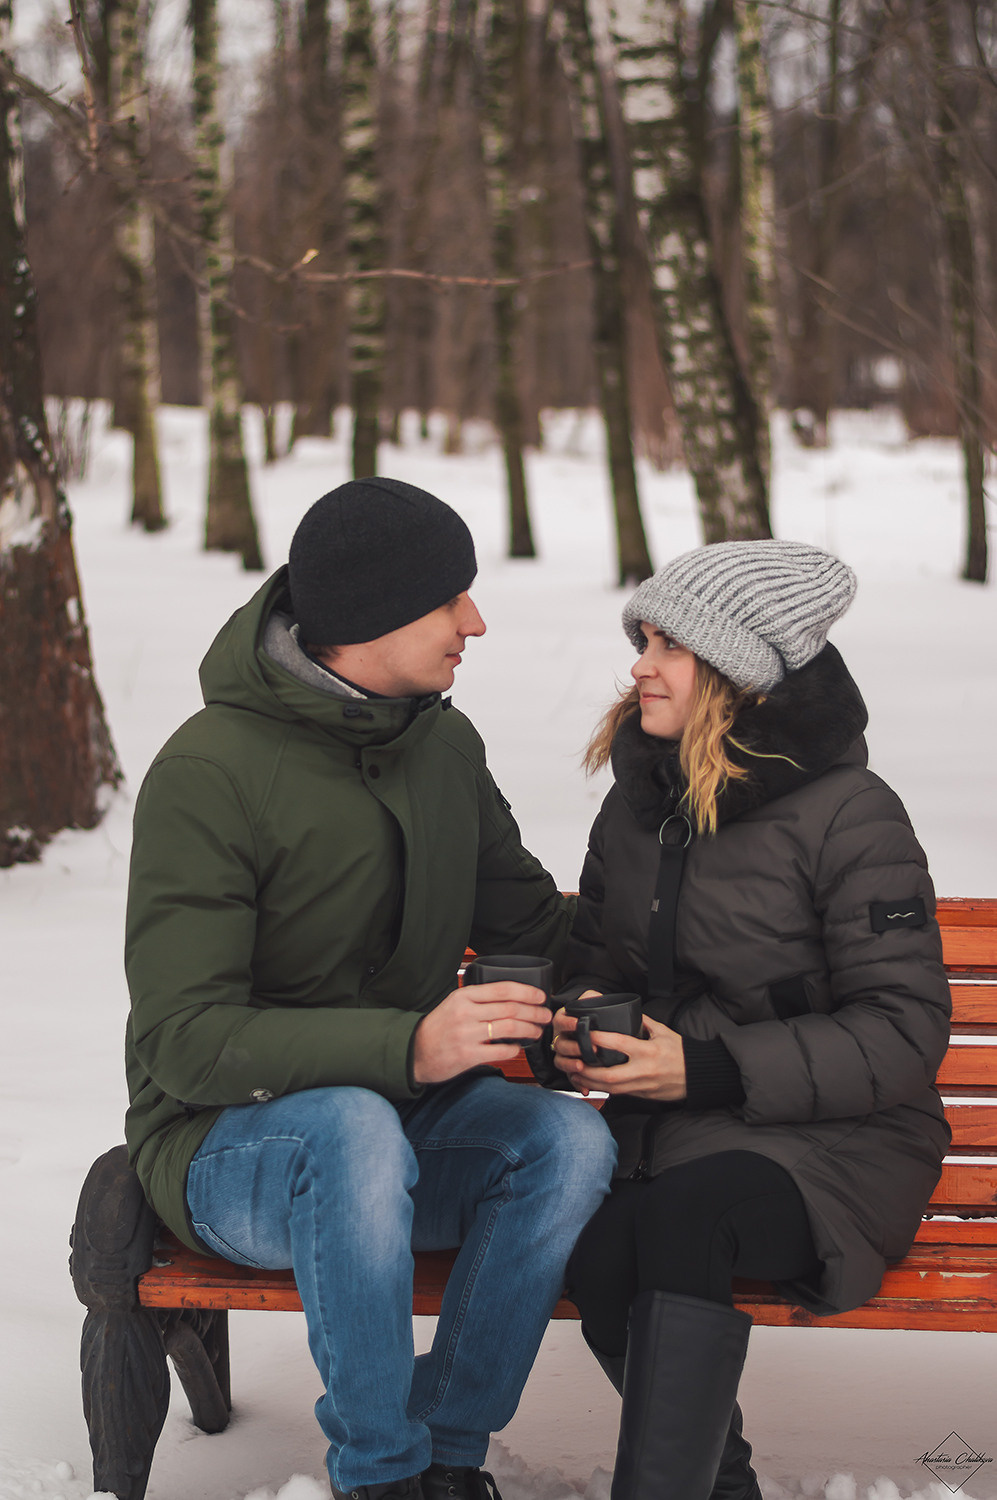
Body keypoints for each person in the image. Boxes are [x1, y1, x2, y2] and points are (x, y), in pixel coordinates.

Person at [123, 476, 616, 1500]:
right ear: (366, 614)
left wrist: (686, 920)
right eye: (450, 599)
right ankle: (379, 1477)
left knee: (566, 1139)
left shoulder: (440, 744)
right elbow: (184, 1038)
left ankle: (444, 1453)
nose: (474, 622)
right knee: (349, 1126)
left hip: (408, 1129)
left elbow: (527, 922)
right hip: (227, 1154)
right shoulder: (211, 771)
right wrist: (406, 1048)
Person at [547, 540, 951, 1500]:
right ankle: (717, 1487)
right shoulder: (636, 810)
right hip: (678, 1136)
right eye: (642, 640)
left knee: (683, 1224)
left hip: (840, 1144)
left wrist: (707, 1071)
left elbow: (902, 1031)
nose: (640, 663)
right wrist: (569, 1028)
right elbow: (594, 965)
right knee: (602, 1253)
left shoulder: (850, 815)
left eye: (668, 646)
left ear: (738, 674)